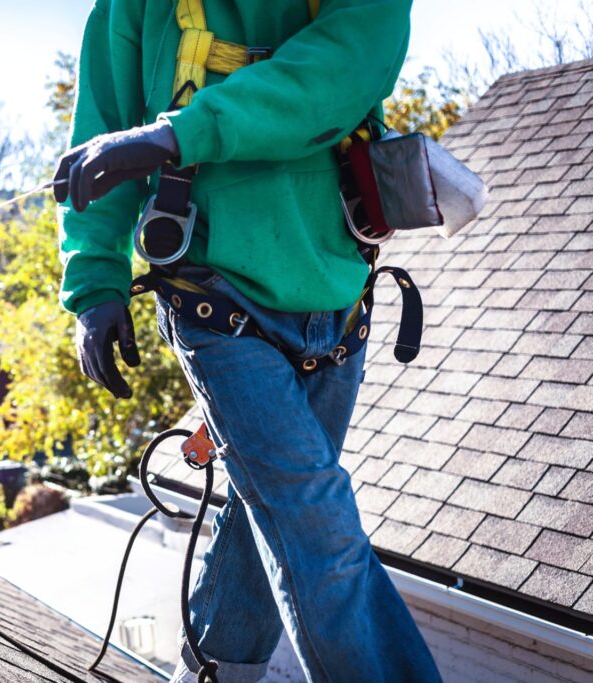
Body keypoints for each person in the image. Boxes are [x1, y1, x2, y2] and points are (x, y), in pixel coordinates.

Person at [56, 1, 441, 681]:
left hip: (337, 301)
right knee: (312, 519)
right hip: (215, 295)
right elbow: (104, 131)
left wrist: (177, 135)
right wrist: (95, 283)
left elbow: (345, 63)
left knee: (265, 512)